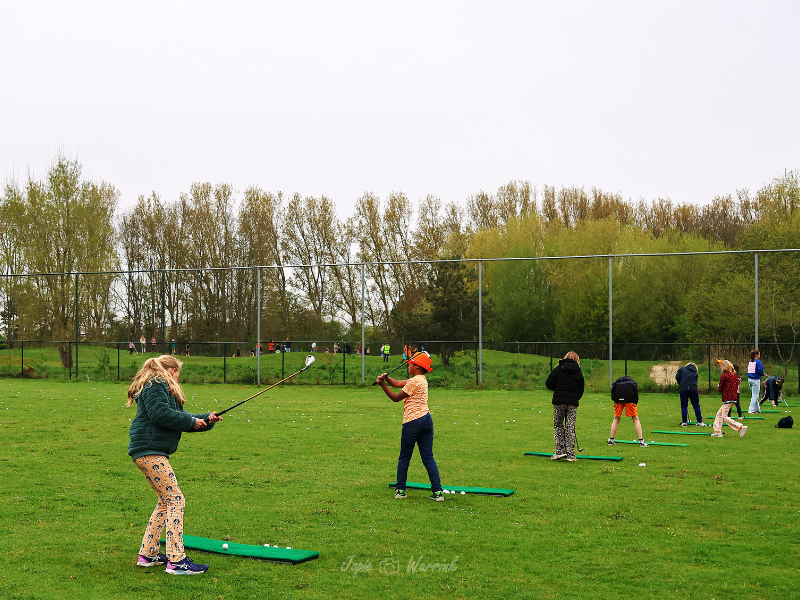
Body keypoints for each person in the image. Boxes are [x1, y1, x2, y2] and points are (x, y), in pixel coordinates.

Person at [126, 355, 223, 574]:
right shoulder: (156, 382)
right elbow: (160, 415)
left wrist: (206, 419)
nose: (178, 377)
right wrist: (191, 421)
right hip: (150, 450)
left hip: (148, 450)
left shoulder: (158, 385)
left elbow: (177, 417)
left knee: (165, 501)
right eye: (177, 372)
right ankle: (177, 561)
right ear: (170, 370)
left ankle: (148, 554)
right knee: (175, 499)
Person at [376, 351, 444, 501]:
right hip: (426, 420)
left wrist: (382, 385)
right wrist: (387, 379)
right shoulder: (421, 380)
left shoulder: (414, 382)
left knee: (405, 456)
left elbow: (395, 398)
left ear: (417, 367)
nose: (408, 367)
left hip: (412, 422)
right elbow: (396, 383)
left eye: (411, 364)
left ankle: (400, 490)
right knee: (428, 457)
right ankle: (438, 492)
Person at [545, 351, 584, 462]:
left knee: (558, 425)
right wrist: (575, 398)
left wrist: (558, 388)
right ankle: (571, 454)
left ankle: (560, 451)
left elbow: (549, 383)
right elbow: (581, 389)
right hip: (572, 402)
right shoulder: (578, 371)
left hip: (559, 401)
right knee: (570, 427)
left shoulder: (558, 368)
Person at [607, 375, 648, 447]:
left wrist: (616, 401)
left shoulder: (617, 383)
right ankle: (641, 441)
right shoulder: (632, 383)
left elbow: (612, 395)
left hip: (618, 399)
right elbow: (636, 395)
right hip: (630, 399)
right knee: (635, 418)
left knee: (616, 418)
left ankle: (611, 440)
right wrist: (634, 403)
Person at [712, 360, 747, 439]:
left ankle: (741, 427)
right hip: (733, 398)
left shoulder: (724, 376)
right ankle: (718, 431)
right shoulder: (734, 375)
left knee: (724, 417)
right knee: (719, 414)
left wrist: (720, 386)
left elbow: (721, 388)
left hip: (727, 398)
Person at [675, 362, 705, 426]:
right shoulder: (695, 373)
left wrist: (680, 383)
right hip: (693, 389)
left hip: (683, 389)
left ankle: (684, 422)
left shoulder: (682, 369)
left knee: (684, 406)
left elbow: (677, 377)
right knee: (696, 405)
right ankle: (699, 421)